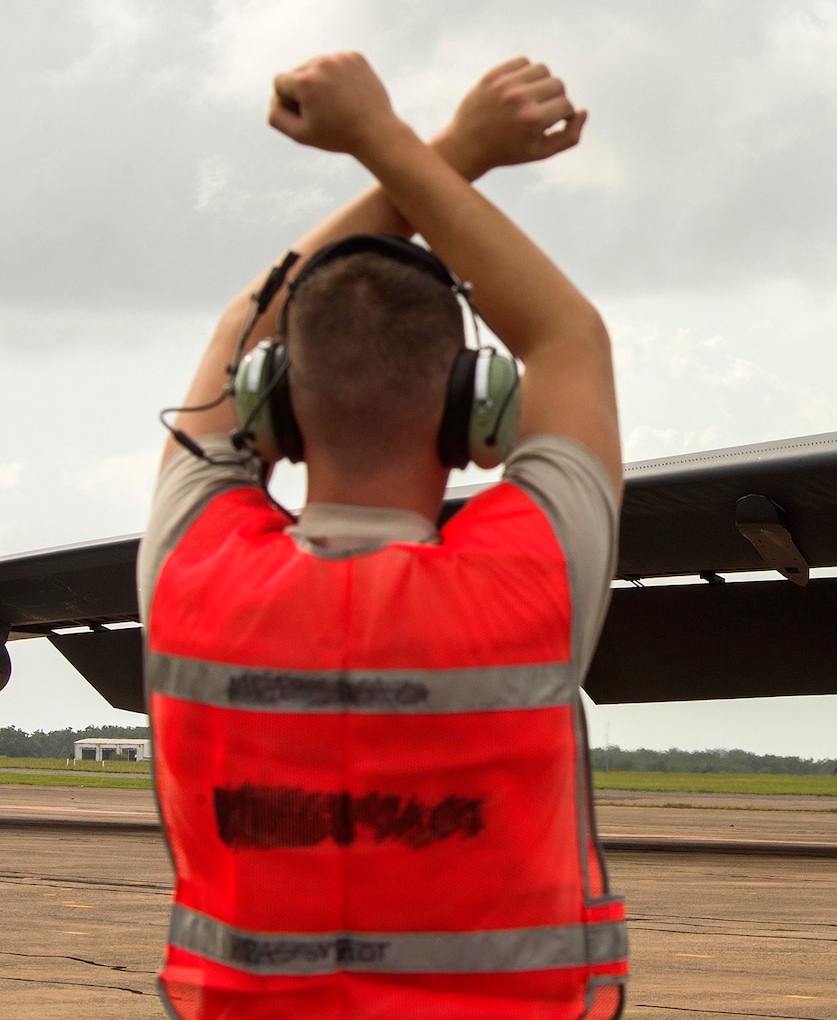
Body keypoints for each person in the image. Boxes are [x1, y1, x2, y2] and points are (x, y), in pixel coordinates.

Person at [137, 53, 627, 1016]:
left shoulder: (193, 575)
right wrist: (402, 143)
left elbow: (239, 330)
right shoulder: (530, 582)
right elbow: (567, 335)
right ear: (475, 417)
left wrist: (433, 145)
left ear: (269, 408)